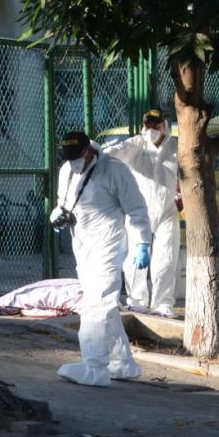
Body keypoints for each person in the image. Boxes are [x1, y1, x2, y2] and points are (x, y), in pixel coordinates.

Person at [51, 131, 152, 387]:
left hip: (109, 245)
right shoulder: (66, 170)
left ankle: (94, 368)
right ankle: (123, 363)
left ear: (88, 150)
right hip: (83, 246)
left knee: (96, 304)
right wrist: (57, 215)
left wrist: (142, 242)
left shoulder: (115, 170)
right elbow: (64, 202)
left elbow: (137, 209)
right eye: (68, 158)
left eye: (77, 157)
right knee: (105, 305)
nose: (73, 163)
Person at [103, 109, 180, 318]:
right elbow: (114, 151)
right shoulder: (136, 144)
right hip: (139, 212)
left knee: (166, 259)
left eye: (155, 125)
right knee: (134, 261)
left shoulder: (175, 147)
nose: (151, 129)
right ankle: (136, 302)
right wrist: (95, 152)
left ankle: (163, 304)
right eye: (147, 125)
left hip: (167, 212)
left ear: (164, 125)